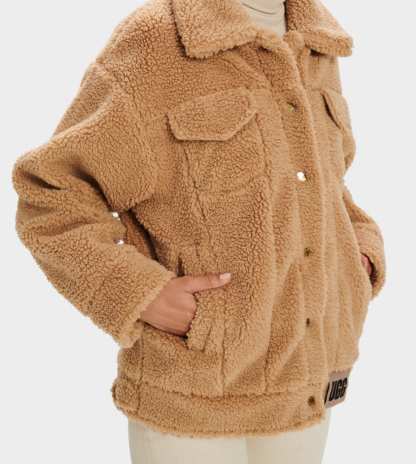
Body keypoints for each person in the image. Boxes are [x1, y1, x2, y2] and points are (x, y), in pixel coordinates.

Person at [11, 0, 386, 463]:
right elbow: (51, 193)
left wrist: (359, 253)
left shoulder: (318, 42)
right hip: (194, 396)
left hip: (308, 384)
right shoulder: (158, 39)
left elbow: (319, 183)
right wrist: (138, 293)